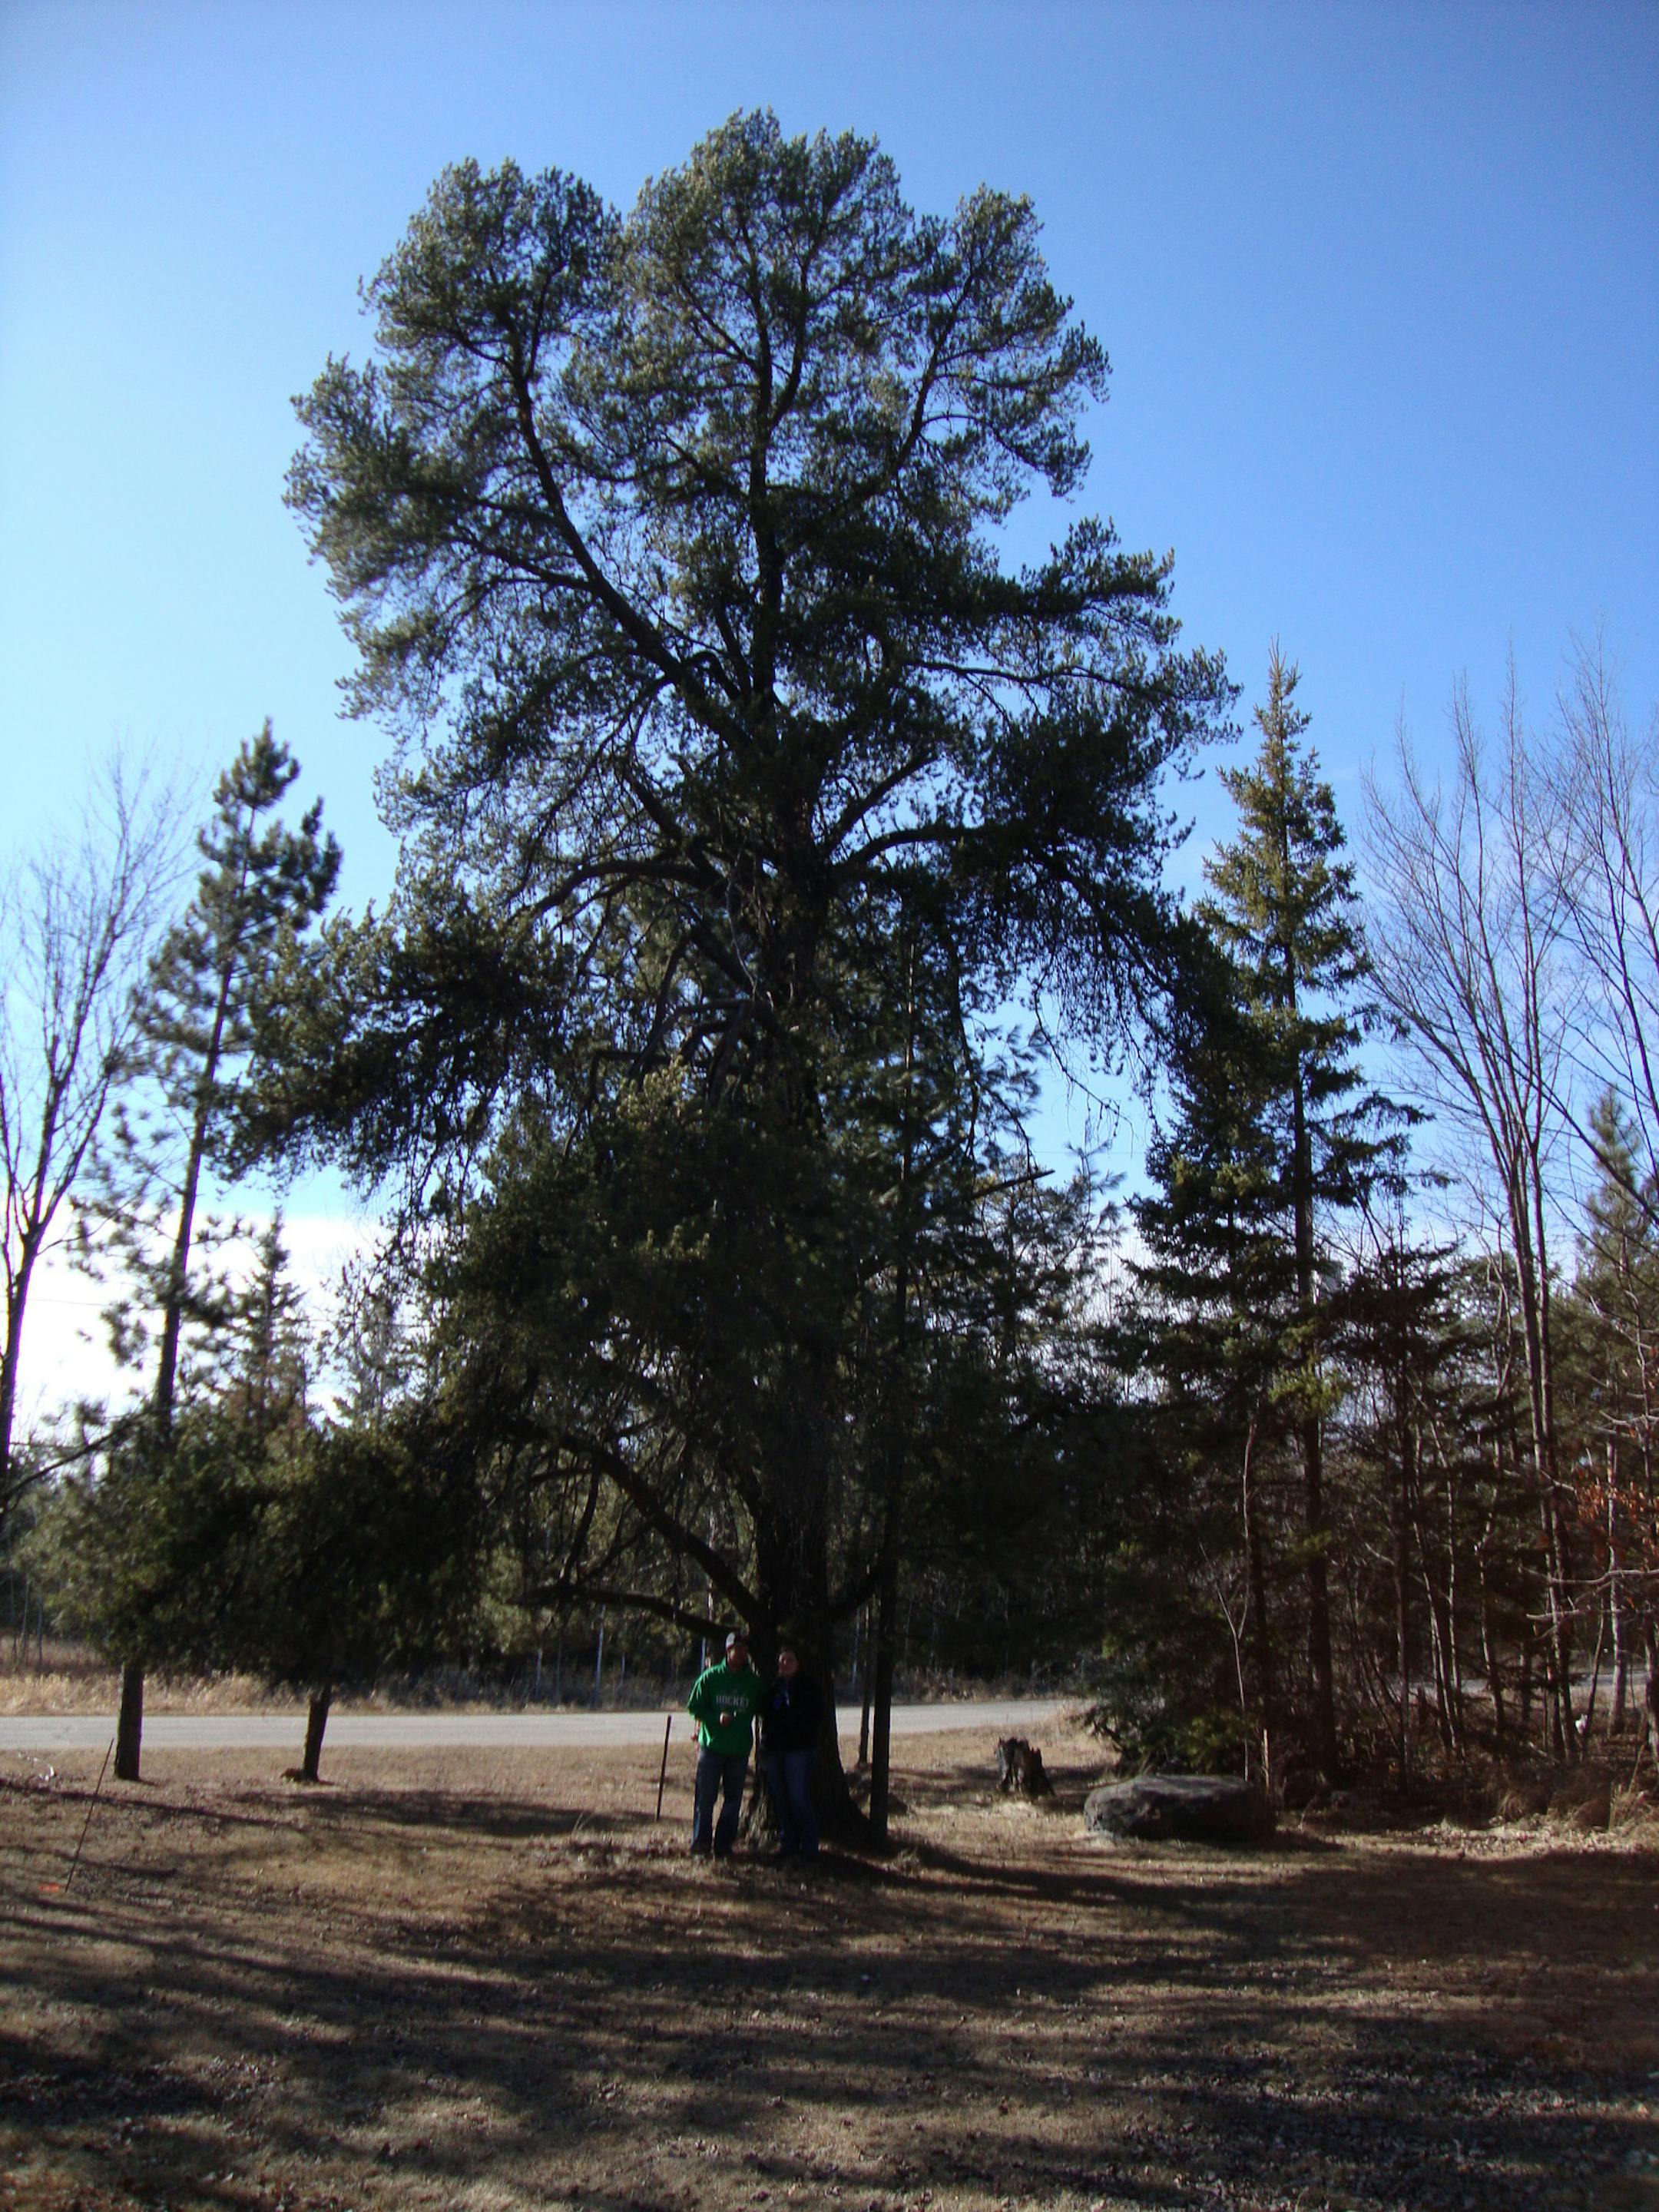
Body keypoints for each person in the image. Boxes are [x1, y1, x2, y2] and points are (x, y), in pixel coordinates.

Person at [686, 1628, 767, 1858]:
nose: (740, 1653)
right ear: (727, 1650)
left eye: (744, 1649)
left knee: (733, 1800)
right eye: (736, 1649)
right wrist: (714, 1718)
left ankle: (723, 1845)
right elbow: (694, 1706)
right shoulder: (711, 1678)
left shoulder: (753, 1683)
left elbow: (766, 1707)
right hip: (711, 1748)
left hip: (738, 1750)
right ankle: (701, 1844)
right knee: (705, 1799)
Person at [760, 1641, 822, 1859]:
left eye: (790, 1660)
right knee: (780, 1797)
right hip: (775, 1750)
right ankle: (788, 1842)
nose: (785, 1664)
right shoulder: (773, 1687)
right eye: (782, 1660)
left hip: (800, 1751)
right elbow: (765, 1714)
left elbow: (815, 1716)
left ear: (799, 1663)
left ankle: (809, 1845)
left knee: (798, 1797)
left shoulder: (808, 1688)